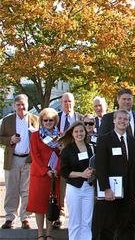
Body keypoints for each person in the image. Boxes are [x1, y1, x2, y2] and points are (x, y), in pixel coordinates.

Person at [93, 109, 135, 240]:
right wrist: (106, 189)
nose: (122, 121)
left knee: (127, 226)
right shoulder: (104, 140)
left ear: (129, 122)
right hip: (111, 191)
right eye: (120, 119)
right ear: (114, 120)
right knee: (108, 226)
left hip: (130, 190)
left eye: (125, 119)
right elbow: (100, 166)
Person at [0, 94, 39, 230]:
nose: (21, 107)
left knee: (27, 190)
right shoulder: (7, 121)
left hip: (29, 159)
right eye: (18, 105)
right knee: (11, 190)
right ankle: (10, 218)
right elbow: (1, 138)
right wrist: (10, 140)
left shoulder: (35, 120)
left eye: (23, 104)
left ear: (27, 105)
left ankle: (26, 218)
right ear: (14, 106)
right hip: (13, 158)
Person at [26, 108, 61, 240]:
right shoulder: (35, 136)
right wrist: (45, 171)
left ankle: (49, 234)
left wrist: (56, 170)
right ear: (41, 121)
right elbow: (35, 155)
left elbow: (61, 154)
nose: (48, 122)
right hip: (40, 175)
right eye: (45, 120)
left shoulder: (60, 136)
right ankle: (40, 233)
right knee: (39, 205)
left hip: (54, 176)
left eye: (51, 120)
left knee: (51, 204)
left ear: (55, 121)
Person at [59, 121, 94, 240]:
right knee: (75, 221)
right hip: (74, 188)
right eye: (76, 132)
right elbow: (64, 172)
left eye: (81, 131)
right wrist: (81, 174)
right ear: (72, 134)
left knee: (87, 221)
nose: (79, 134)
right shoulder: (67, 150)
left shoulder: (91, 148)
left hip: (89, 188)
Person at [56, 92, 83, 229]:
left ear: (74, 102)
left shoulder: (80, 118)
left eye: (70, 101)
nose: (68, 104)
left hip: (78, 159)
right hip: (60, 158)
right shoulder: (55, 118)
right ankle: (61, 214)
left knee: (77, 187)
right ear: (61, 103)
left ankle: (76, 215)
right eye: (65, 102)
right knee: (61, 187)